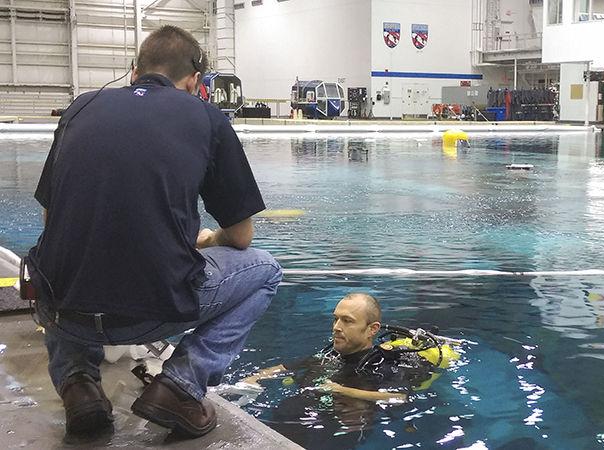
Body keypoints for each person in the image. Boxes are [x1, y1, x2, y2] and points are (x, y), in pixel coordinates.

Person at [26, 25, 282, 438]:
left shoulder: (79, 109)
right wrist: (208, 239)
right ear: (194, 82)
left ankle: (79, 384)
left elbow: (51, 222)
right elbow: (241, 238)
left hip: (66, 313)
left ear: (133, 72)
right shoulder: (207, 119)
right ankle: (179, 386)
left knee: (54, 254)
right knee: (265, 271)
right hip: (155, 309)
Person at [241, 292, 442, 448]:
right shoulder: (330, 355)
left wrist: (339, 390)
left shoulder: (383, 364)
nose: (336, 327)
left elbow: (398, 397)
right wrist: (254, 378)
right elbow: (285, 367)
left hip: (339, 428)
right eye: (335, 319)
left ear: (372, 329)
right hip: (295, 418)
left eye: (347, 321)